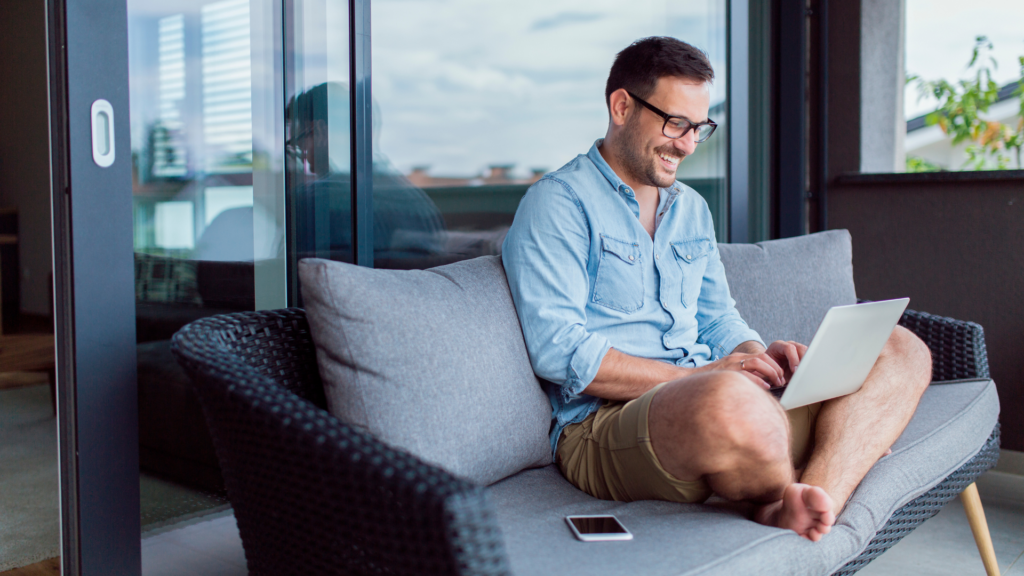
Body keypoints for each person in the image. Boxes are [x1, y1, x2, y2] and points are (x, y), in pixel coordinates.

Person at [500, 37, 932, 542]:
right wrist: (702, 377)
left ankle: (811, 498)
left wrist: (755, 358)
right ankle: (828, 454)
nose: (685, 144)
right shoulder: (558, 204)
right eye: (675, 123)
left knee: (902, 347)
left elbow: (716, 318)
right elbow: (559, 349)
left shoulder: (690, 208)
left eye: (699, 128)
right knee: (728, 400)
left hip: (723, 403)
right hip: (607, 428)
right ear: (621, 106)